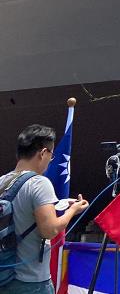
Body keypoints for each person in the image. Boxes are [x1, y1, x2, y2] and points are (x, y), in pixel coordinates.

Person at [0, 125, 88, 294]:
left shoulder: (3, 181)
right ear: (43, 153)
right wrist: (73, 210)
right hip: (31, 282)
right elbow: (50, 230)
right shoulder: (39, 183)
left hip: (4, 275)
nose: (50, 160)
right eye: (51, 155)